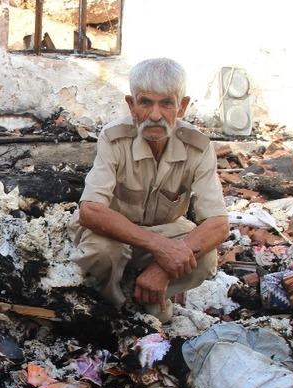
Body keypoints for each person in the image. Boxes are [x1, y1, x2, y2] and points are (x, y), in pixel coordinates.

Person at [70, 58, 229, 319]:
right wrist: (160, 247)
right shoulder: (114, 138)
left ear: (182, 106)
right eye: (145, 102)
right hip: (116, 232)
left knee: (206, 257)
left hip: (166, 230)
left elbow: (218, 224)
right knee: (102, 252)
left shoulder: (198, 146)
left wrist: (162, 269)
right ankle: (117, 305)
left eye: (166, 102)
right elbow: (91, 211)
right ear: (132, 105)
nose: (155, 115)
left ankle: (153, 290)